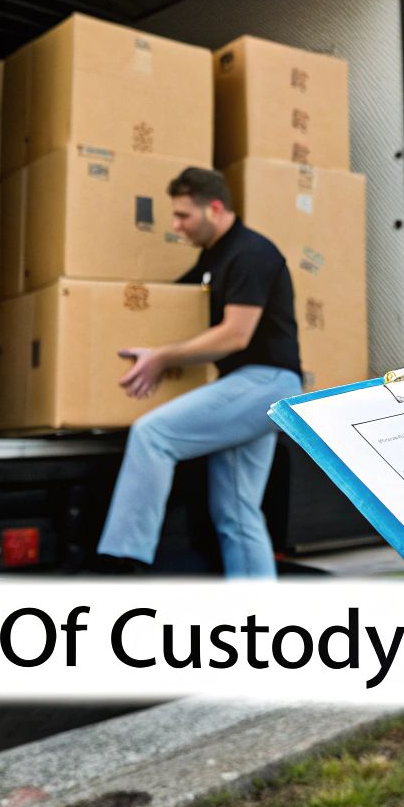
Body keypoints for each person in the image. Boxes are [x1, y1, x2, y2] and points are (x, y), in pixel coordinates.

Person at [91, 167, 302, 579]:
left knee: (153, 435)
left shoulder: (251, 253)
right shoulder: (214, 257)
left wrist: (161, 357)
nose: (176, 226)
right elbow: (170, 304)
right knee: (237, 512)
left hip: (266, 383)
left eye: (184, 216)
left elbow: (235, 335)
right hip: (252, 387)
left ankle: (123, 561)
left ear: (215, 209)